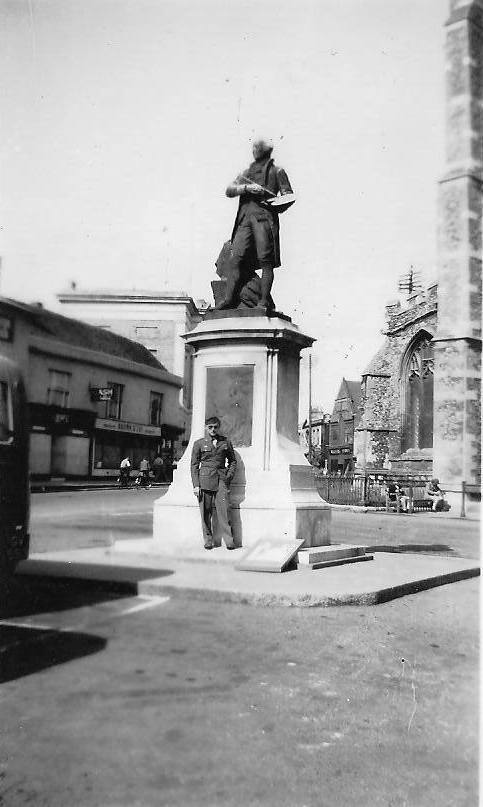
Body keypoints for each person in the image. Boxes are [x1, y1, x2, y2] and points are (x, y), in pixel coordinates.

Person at [216, 137, 294, 311]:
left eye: (256, 148)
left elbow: (288, 195)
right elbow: (229, 190)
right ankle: (229, 299)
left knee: (266, 261)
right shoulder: (246, 173)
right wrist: (247, 188)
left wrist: (272, 202)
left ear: (264, 151)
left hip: (264, 220)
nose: (253, 151)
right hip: (245, 220)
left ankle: (264, 301)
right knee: (235, 259)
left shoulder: (277, 171)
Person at [191, 415, 237, 550]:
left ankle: (229, 541)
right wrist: (196, 485)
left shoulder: (225, 442)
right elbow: (194, 465)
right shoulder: (199, 443)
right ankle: (208, 540)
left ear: (219, 427)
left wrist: (228, 476)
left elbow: (233, 461)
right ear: (206, 428)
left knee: (224, 511)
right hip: (204, 480)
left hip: (221, 479)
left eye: (215, 427)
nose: (213, 430)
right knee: (205, 512)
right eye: (210, 427)